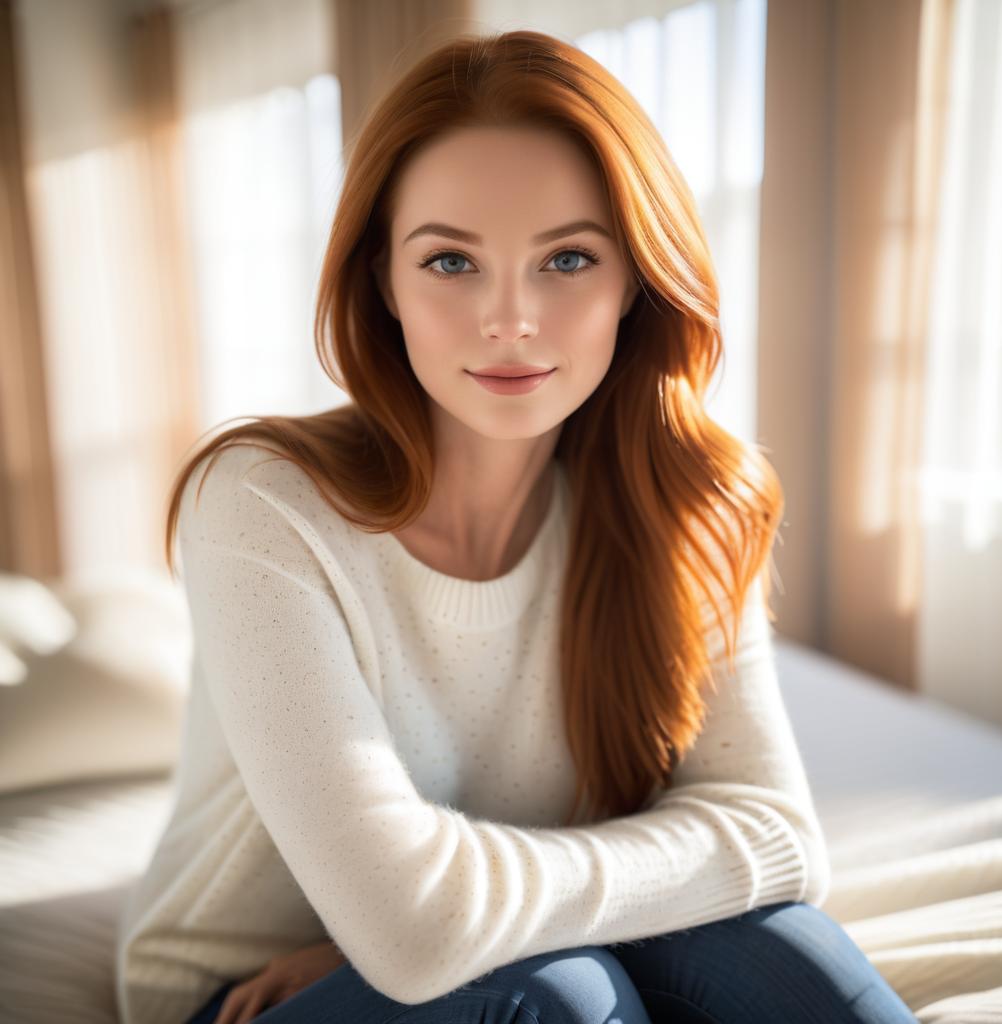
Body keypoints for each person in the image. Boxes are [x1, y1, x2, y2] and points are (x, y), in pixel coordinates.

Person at [114, 29, 919, 1024]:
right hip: (242, 992)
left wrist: (433, 911)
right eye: (450, 260)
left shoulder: (683, 502)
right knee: (560, 995)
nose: (510, 318)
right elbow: (411, 932)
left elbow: (779, 835)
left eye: (568, 258)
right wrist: (397, 923)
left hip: (472, 942)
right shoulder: (263, 502)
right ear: (383, 281)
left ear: (635, 280)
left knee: (778, 946)